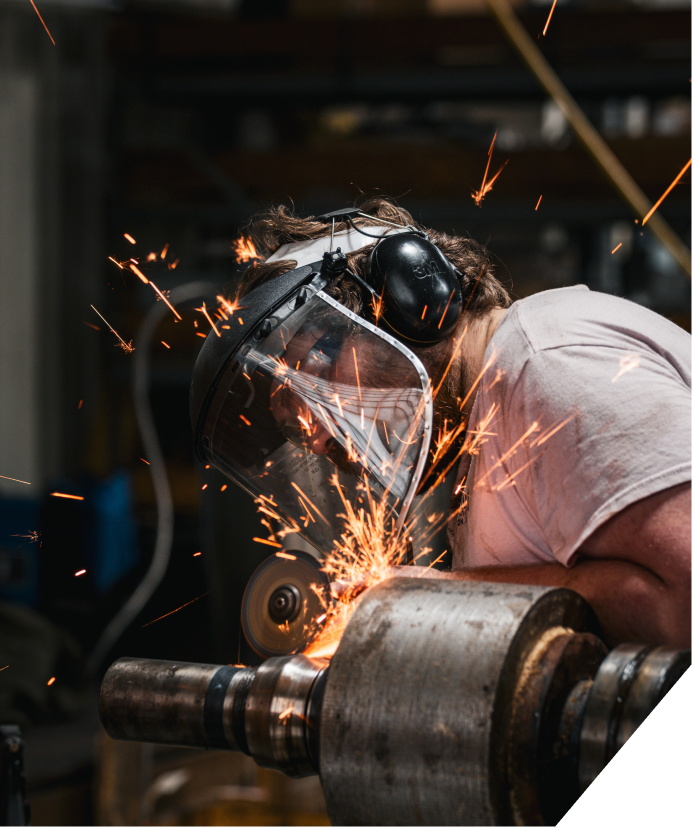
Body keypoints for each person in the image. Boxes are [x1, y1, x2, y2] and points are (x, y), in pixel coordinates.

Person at [226, 197, 692, 649]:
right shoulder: (485, 426)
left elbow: (684, 603)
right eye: (297, 424)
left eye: (319, 367)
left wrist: (444, 597)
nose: (319, 434)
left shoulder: (547, 366)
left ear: (411, 301)